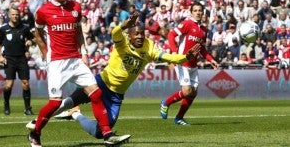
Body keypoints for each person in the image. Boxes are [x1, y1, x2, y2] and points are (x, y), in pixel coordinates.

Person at [27, 11, 201, 141]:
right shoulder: (122, 42)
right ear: (130, 36)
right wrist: (124, 25)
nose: (140, 36)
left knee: (99, 132)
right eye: (136, 34)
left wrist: (186, 57)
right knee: (71, 99)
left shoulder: (149, 47)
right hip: (102, 82)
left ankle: (75, 115)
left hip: (117, 95)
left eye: (142, 34)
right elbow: (115, 34)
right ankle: (38, 122)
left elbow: (168, 56)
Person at [27, 0, 130, 147]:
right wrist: (45, 51)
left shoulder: (75, 7)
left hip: (75, 60)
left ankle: (107, 134)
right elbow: (37, 32)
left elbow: (78, 31)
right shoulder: (43, 11)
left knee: (96, 94)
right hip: (57, 62)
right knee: (54, 103)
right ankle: (35, 134)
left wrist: (83, 52)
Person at [160, 2, 218, 126]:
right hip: (182, 62)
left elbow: (201, 49)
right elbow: (171, 34)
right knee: (187, 91)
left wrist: (211, 60)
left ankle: (179, 118)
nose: (198, 12)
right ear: (191, 12)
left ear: (202, 13)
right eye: (195, 10)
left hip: (193, 65)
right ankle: (166, 103)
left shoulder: (203, 30)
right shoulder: (187, 24)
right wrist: (175, 53)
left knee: (194, 92)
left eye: (199, 10)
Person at [0, 6, 34, 116]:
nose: (15, 16)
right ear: (9, 16)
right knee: (8, 85)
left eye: (17, 14)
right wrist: (0, 56)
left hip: (21, 59)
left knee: (26, 83)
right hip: (9, 59)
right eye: (13, 14)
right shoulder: (3, 29)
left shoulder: (24, 28)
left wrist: (30, 42)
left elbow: (32, 38)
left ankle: (27, 108)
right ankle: (6, 104)